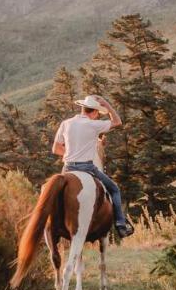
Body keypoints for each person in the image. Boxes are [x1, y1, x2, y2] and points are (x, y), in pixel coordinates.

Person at [52, 94, 134, 237]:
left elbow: (56, 149)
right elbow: (117, 121)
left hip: (67, 168)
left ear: (83, 108)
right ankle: (121, 225)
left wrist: (71, 154)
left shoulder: (66, 123)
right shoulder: (93, 124)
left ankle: (49, 223)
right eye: (98, 113)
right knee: (114, 189)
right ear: (95, 112)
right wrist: (107, 104)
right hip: (87, 167)